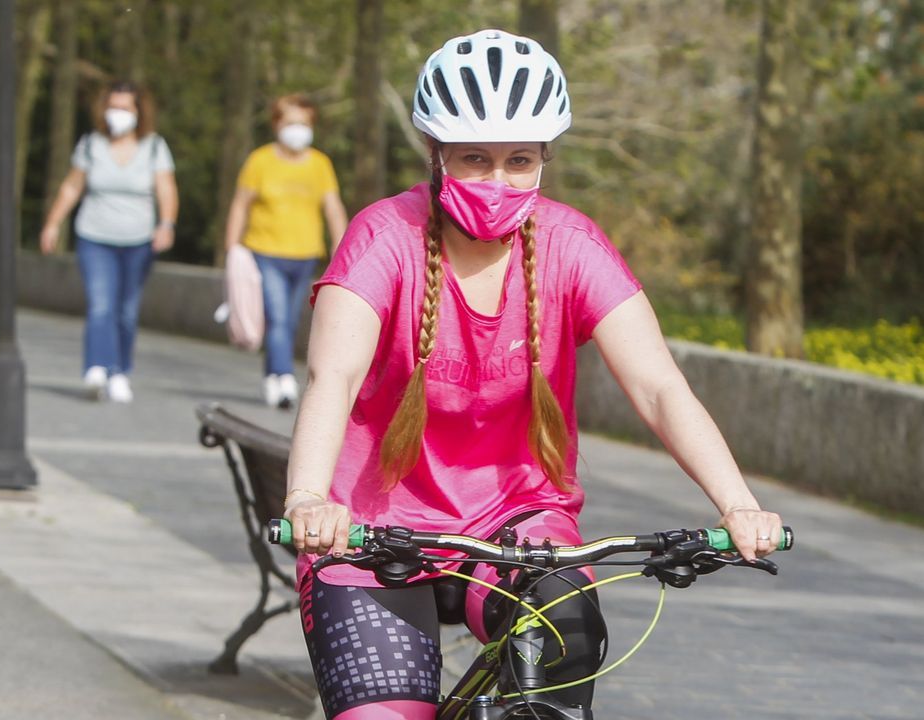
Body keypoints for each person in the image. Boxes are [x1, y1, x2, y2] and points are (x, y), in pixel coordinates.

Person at [283, 29, 785, 719]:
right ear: (436, 154)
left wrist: (738, 505)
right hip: (373, 529)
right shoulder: (382, 237)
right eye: (474, 159)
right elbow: (331, 379)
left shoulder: (571, 245)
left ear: (545, 156)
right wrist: (309, 498)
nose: (497, 182)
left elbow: (659, 386)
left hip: (520, 522)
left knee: (563, 650)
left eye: (519, 160)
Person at [40, 80, 178, 404]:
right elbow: (72, 187)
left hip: (138, 240)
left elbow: (166, 189)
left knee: (126, 310)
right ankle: (96, 367)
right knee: (100, 304)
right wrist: (52, 223)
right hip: (94, 236)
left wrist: (166, 224)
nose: (118, 114)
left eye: (125, 108)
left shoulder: (154, 147)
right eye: (112, 107)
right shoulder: (91, 145)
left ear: (138, 112)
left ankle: (119, 371)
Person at [224, 94, 348, 409]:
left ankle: (272, 377)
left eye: (304, 124)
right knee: (278, 317)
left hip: (304, 255)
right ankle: (283, 378)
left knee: (289, 321)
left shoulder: (320, 164)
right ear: (277, 124)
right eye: (291, 123)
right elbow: (240, 205)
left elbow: (333, 209)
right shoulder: (260, 161)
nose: (298, 130)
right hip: (264, 252)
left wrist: (343, 247)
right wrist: (232, 249)